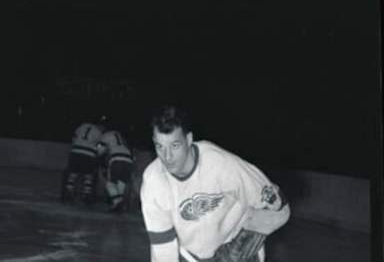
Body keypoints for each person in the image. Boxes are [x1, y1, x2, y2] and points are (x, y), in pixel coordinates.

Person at [140, 105, 290, 262]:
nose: (167, 156)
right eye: (160, 146)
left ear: (189, 139)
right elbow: (163, 249)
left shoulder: (221, 164)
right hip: (192, 255)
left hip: (236, 248)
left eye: (175, 145)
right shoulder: (154, 181)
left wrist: (258, 228)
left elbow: (280, 206)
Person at [61, 120, 105, 204]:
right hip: (89, 154)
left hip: (75, 151)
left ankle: (68, 192)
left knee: (73, 173)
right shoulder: (99, 132)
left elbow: (74, 138)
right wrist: (97, 155)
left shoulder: (82, 126)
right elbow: (100, 147)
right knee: (88, 175)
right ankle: (87, 194)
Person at [96, 129, 135, 213]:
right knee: (121, 183)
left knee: (109, 183)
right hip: (128, 159)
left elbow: (100, 150)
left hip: (116, 158)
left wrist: (98, 157)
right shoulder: (121, 136)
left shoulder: (106, 135)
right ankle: (117, 206)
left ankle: (118, 202)